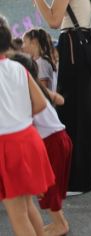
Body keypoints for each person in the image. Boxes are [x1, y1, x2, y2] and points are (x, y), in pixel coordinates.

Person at [34, 0, 91, 194]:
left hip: (74, 46)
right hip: (82, 45)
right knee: (90, 109)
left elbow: (54, 21)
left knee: (74, 112)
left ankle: (77, 181)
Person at [0, 22, 55, 236]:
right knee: (27, 205)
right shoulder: (18, 67)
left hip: (6, 145)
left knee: (18, 215)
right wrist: (19, 115)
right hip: (28, 139)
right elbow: (41, 103)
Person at [10, 53, 72, 236]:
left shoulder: (27, 94)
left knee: (48, 186)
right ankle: (59, 222)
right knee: (50, 186)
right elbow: (61, 100)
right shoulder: (38, 89)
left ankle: (60, 225)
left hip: (52, 141)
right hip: (60, 138)